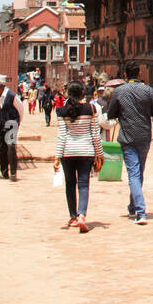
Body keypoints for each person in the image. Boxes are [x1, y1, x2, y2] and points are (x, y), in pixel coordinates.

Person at [104, 64, 153, 225]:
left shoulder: (119, 91)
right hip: (144, 136)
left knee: (133, 173)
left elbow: (111, 114)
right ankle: (133, 206)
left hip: (127, 136)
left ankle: (140, 211)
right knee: (139, 172)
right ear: (139, 73)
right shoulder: (148, 91)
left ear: (125, 74)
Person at [53, 80, 102, 233]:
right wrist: (100, 154)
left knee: (69, 184)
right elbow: (95, 134)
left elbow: (62, 135)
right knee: (83, 184)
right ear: (82, 93)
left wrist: (57, 157)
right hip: (86, 151)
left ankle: (73, 216)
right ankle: (82, 215)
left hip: (67, 152)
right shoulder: (91, 109)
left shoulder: (61, 111)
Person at [0, 76, 21, 181]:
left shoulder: (12, 96)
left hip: (11, 124)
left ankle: (13, 173)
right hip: (1, 125)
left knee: (11, 147)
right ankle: (4, 173)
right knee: (1, 149)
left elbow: (20, 110)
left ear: (1, 86)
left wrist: (16, 123)